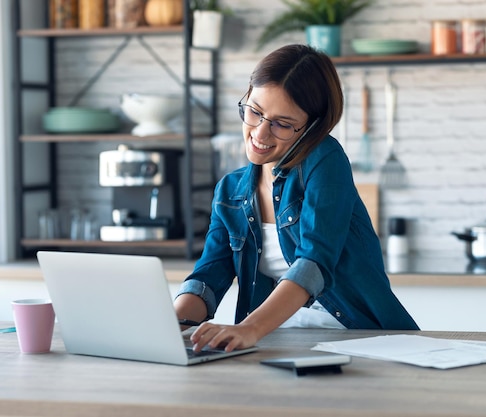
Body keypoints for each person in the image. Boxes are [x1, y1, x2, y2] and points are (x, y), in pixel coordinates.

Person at [174, 44, 418, 353]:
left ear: (312, 128)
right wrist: (171, 322)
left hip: (358, 338)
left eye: (282, 124)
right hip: (274, 340)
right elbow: (209, 277)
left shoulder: (326, 160)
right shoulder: (230, 190)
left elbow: (314, 262)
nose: (260, 133)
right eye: (254, 111)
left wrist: (249, 327)